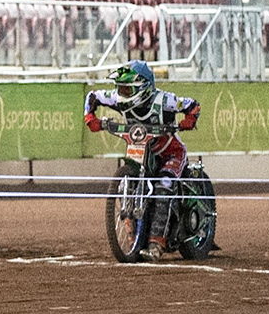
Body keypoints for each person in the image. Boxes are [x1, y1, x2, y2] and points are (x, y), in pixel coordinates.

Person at [84, 60, 200, 255]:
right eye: (120, 88)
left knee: (164, 185)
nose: (121, 94)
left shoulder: (164, 100)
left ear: (144, 88)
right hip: (142, 153)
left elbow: (192, 105)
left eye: (127, 90)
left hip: (171, 152)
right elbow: (92, 96)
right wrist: (90, 118)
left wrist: (189, 120)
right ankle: (134, 240)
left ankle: (157, 242)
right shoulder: (116, 98)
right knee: (128, 186)